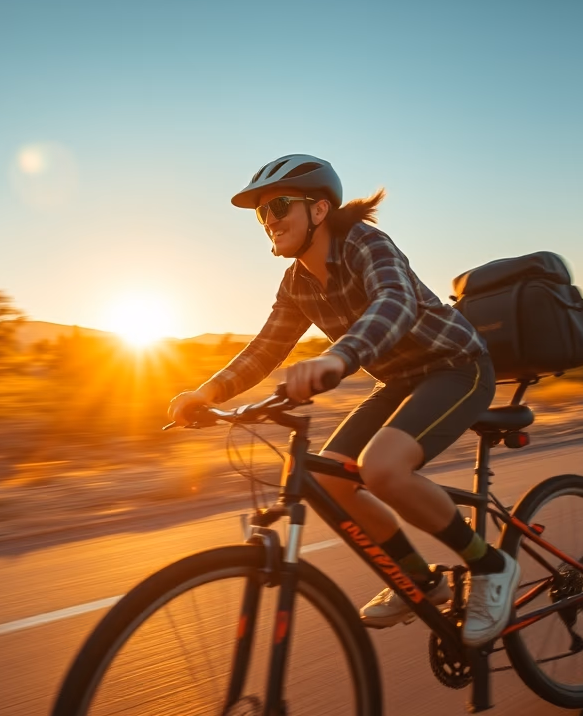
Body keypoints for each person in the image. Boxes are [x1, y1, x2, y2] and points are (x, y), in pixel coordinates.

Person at [167, 154, 520, 647]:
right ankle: (420, 579)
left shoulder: (366, 244)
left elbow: (392, 302)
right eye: (261, 214)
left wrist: (338, 359)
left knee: (382, 468)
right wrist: (206, 393)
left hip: (456, 365)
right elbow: (266, 348)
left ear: (318, 210)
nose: (269, 222)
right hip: (397, 380)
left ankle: (493, 565)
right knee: (332, 480)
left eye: (279, 207)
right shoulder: (296, 283)